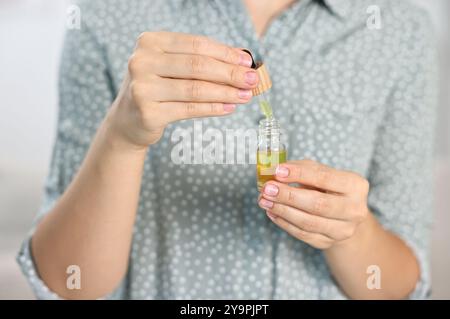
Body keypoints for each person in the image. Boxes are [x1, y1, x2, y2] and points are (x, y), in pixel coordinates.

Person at [17, 0, 437, 299]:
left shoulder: (401, 31)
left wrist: (350, 231)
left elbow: (397, 285)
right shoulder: (109, 13)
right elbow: (67, 283)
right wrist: (121, 137)